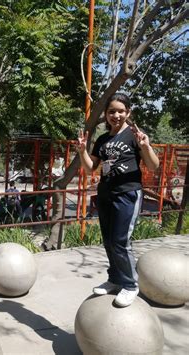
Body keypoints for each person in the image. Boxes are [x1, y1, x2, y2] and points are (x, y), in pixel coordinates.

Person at [76, 93, 159, 307]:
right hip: (105, 195)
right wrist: (82, 150)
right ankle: (114, 279)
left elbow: (153, 165)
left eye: (121, 111)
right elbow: (89, 168)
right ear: (106, 115)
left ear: (128, 113)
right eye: (112, 111)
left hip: (128, 194)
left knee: (121, 242)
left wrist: (146, 146)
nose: (116, 115)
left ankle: (130, 285)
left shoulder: (134, 135)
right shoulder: (103, 140)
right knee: (108, 241)